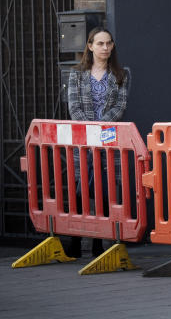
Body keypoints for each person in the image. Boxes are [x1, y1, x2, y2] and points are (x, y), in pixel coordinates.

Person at [65, 26, 130, 258]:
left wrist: (100, 130)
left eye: (109, 43)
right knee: (80, 190)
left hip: (108, 141)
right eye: (100, 43)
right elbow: (74, 108)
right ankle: (74, 240)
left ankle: (98, 244)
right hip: (82, 141)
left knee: (104, 189)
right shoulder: (76, 74)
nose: (106, 48)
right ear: (90, 46)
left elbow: (119, 107)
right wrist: (89, 131)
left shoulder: (122, 74)